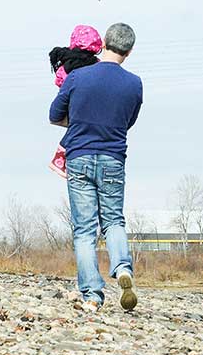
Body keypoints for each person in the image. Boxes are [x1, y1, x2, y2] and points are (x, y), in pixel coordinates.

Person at [49, 22, 143, 312]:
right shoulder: (134, 83)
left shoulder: (78, 77)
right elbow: (128, 121)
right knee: (114, 221)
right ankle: (123, 268)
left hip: (79, 158)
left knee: (84, 230)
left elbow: (54, 115)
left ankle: (92, 295)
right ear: (130, 51)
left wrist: (78, 120)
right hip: (113, 158)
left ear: (103, 44)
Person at [47, 25, 104, 177]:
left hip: (72, 103)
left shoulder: (66, 63)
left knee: (74, 127)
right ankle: (59, 158)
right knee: (80, 128)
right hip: (90, 105)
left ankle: (60, 159)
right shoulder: (97, 64)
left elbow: (60, 81)